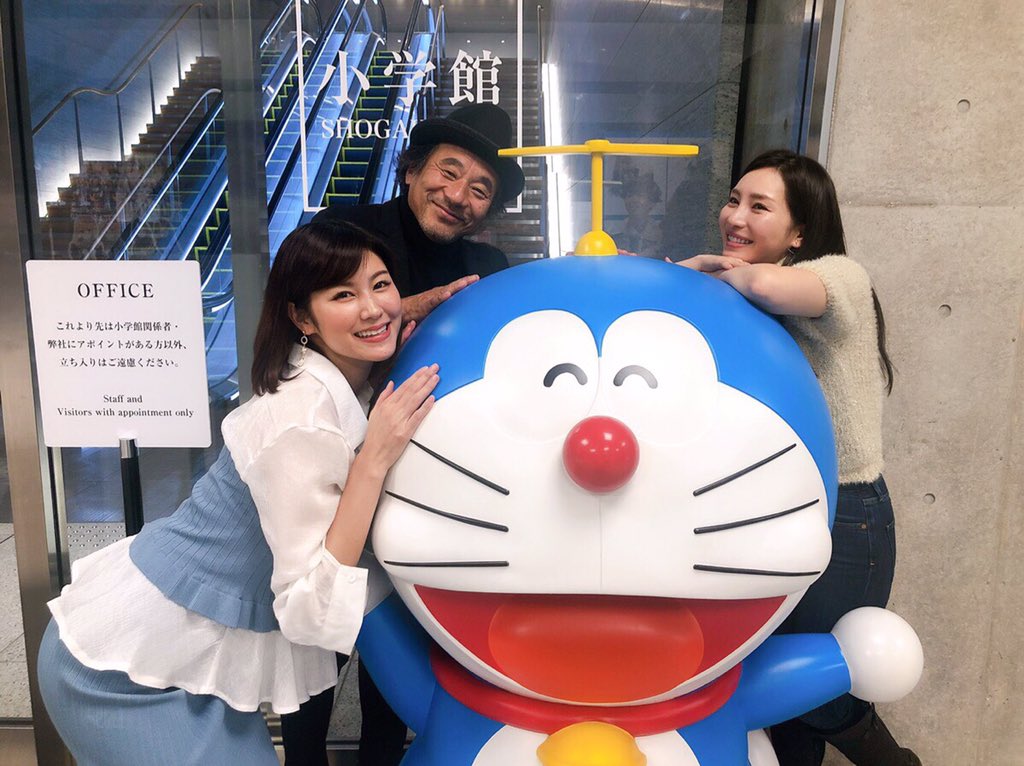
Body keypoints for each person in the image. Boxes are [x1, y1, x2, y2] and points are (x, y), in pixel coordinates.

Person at [36, 220, 438, 765]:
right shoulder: (299, 421)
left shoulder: (338, 384)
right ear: (302, 318)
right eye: (343, 295)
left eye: (381, 284)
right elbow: (307, 609)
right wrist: (374, 460)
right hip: (118, 671)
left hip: (191, 660)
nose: (373, 308)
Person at [288, 103, 525, 766]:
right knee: (317, 651)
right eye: (448, 172)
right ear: (412, 168)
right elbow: (294, 331)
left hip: (430, 486)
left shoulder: (489, 264)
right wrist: (405, 314)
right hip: (338, 472)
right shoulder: (345, 233)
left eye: (480, 189)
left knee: (400, 650)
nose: (459, 195)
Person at [675, 149, 920, 766]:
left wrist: (706, 270)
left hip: (846, 514)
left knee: (818, 688)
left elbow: (764, 283)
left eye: (759, 206)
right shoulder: (740, 296)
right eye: (733, 199)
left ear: (800, 232)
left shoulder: (837, 276)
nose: (736, 216)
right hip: (771, 510)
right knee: (778, 697)